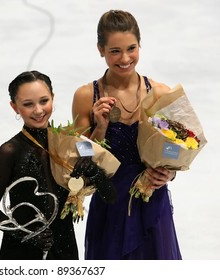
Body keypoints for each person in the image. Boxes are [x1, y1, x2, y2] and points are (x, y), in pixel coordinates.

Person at [72, 10, 181, 260]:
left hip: (152, 201)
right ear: (101, 49)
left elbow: (176, 148)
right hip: (110, 204)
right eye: (115, 51)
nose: (125, 58)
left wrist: (170, 172)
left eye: (131, 48)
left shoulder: (159, 92)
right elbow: (79, 161)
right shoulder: (86, 96)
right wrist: (99, 128)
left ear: (140, 44)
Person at [0, 70, 114, 260]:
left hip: (64, 249)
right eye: (28, 104)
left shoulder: (73, 143)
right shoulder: (10, 151)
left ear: (53, 97)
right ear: (14, 107)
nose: (38, 110)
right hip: (22, 252)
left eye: (44, 101)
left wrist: (95, 172)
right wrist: (24, 234)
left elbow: (110, 196)